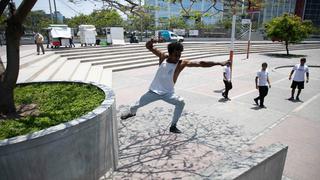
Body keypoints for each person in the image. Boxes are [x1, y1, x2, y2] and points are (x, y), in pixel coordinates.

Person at [121, 39, 230, 133]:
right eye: (175, 55)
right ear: (170, 53)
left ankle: (173, 126)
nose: (178, 57)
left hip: (168, 93)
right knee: (136, 105)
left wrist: (219, 63)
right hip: (153, 92)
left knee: (181, 102)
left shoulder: (181, 63)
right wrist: (151, 42)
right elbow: (149, 47)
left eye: (179, 55)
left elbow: (201, 63)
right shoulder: (163, 57)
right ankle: (132, 113)